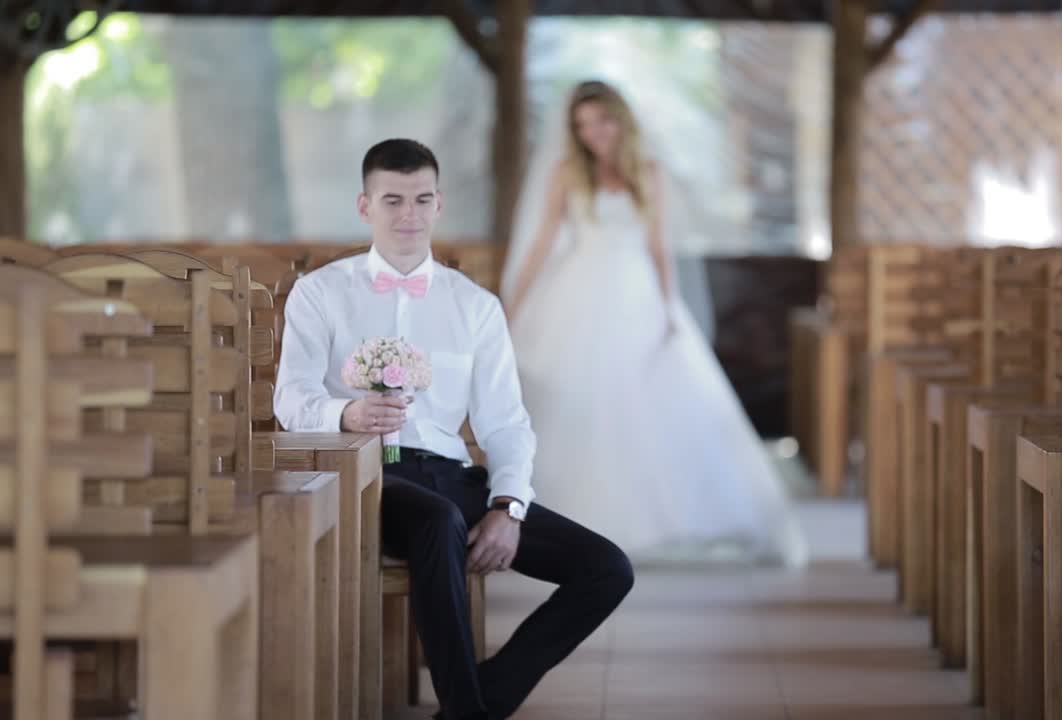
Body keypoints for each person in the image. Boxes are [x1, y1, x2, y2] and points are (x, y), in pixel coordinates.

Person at [274, 139, 634, 720]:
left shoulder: (475, 306)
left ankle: (473, 705)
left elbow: (506, 423)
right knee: (438, 521)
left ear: (439, 204)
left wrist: (509, 506)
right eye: (392, 200)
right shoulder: (321, 293)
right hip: (368, 476)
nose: (408, 215)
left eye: (421, 199)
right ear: (365, 206)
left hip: (453, 478)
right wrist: (347, 415)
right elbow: (289, 400)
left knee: (607, 569)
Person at [501, 80, 807, 567]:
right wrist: (511, 305)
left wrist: (669, 310)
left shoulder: (650, 172)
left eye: (602, 120)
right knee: (586, 397)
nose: (594, 133)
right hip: (579, 292)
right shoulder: (566, 173)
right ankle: (574, 517)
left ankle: (662, 516)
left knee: (654, 396)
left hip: (637, 292)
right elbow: (541, 242)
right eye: (582, 126)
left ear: (621, 119)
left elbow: (659, 245)